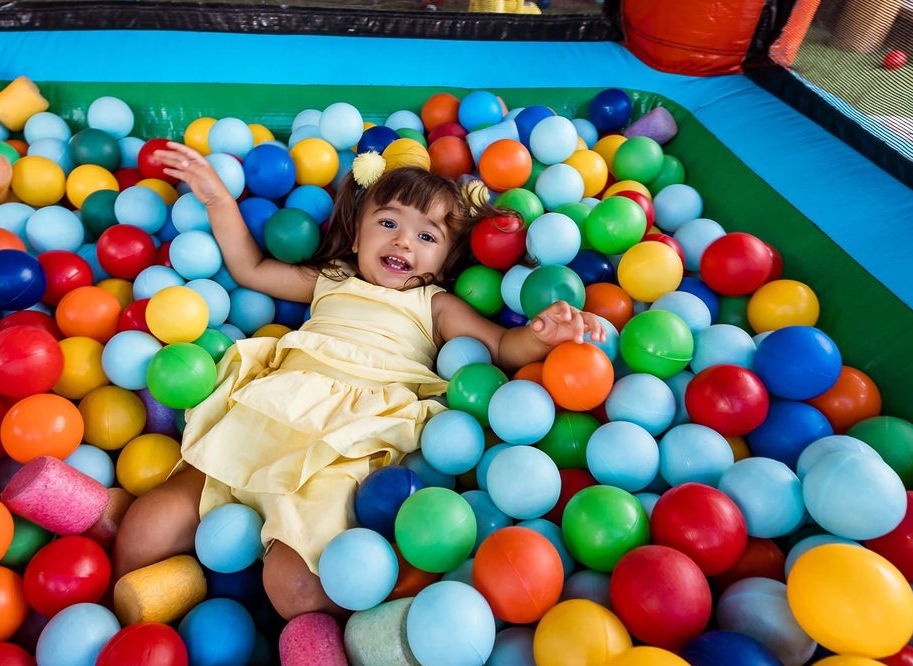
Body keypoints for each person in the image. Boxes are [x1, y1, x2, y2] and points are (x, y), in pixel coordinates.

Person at [114, 140, 605, 622]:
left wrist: (544, 336)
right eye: (388, 223)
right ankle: (134, 617)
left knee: (297, 591)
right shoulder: (332, 279)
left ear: (447, 262)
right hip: (264, 421)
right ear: (355, 237)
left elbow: (501, 348)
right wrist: (217, 197)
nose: (403, 241)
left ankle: (395, 604)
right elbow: (251, 268)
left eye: (427, 236)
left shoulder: (435, 305)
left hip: (345, 448)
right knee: (144, 529)